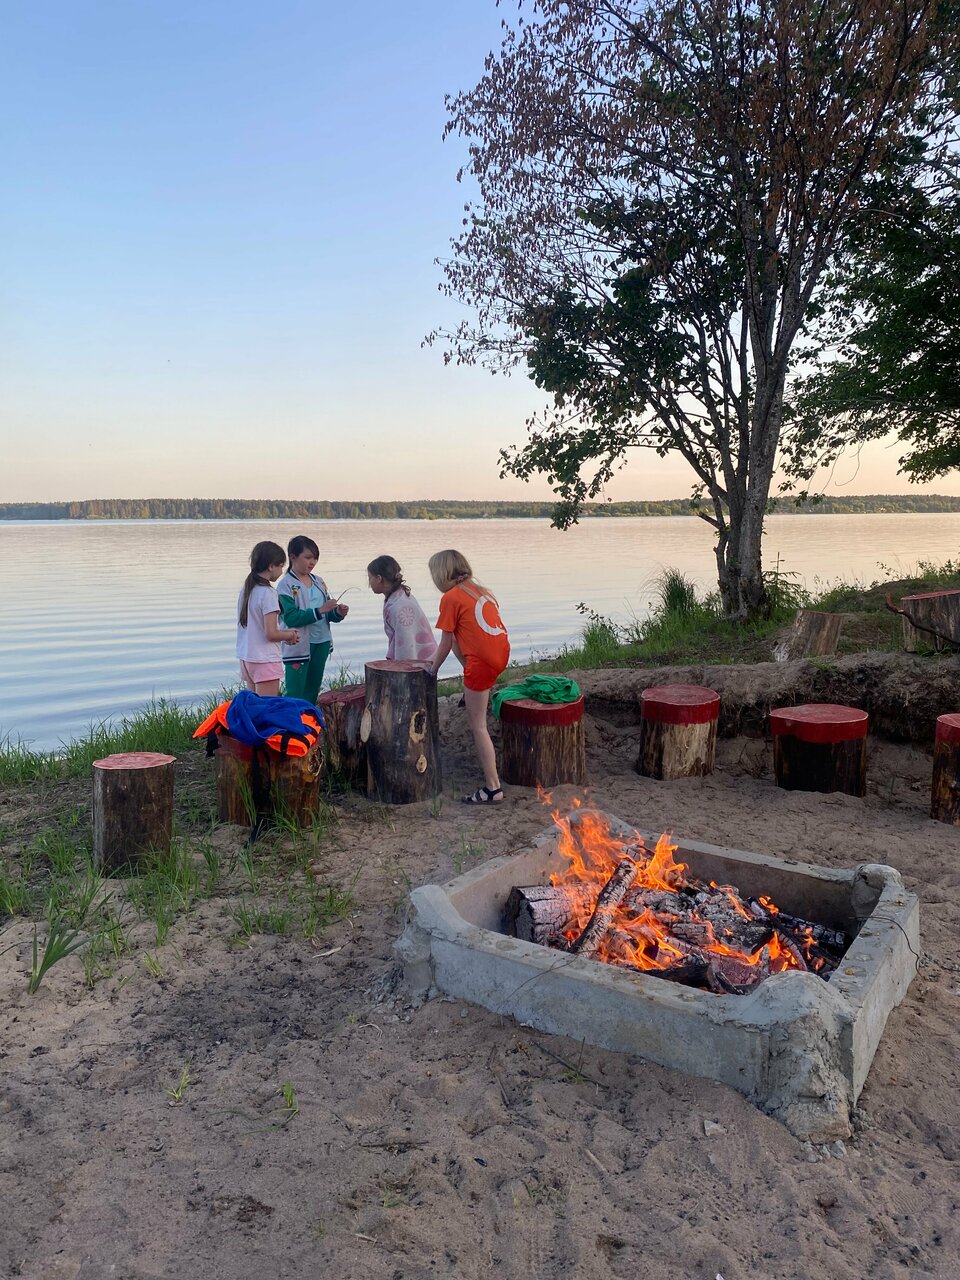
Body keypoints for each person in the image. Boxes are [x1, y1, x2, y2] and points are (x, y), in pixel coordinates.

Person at [427, 549, 510, 804]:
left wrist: (430, 671)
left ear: (441, 574)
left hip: (482, 664)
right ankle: (473, 690)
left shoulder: (451, 598)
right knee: (459, 643)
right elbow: (456, 640)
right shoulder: (482, 591)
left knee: (478, 726)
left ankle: (493, 788)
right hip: (501, 655)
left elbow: (443, 645)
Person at [277, 535, 349, 702]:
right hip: (298, 645)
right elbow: (291, 618)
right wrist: (320, 610)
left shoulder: (319, 582)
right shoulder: (285, 585)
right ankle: (292, 718)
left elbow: (328, 615)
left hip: (321, 642)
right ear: (293, 557)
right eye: (308, 557)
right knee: (295, 692)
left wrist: (338, 613)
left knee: (313, 688)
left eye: (315, 558)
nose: (312, 562)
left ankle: (309, 717)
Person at [236, 541, 301, 696]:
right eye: (281, 566)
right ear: (271, 566)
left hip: (247, 657)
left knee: (254, 706)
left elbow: (257, 628)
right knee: (267, 707)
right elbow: (271, 633)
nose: (282, 571)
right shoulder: (268, 593)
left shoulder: (246, 590)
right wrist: (290, 635)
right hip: (264, 659)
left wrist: (285, 635)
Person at [367, 555, 438, 664]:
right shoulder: (399, 596)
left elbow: (406, 644)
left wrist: (401, 667)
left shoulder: (399, 607)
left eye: (370, 578)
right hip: (426, 657)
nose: (369, 584)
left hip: (422, 661)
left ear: (379, 578)